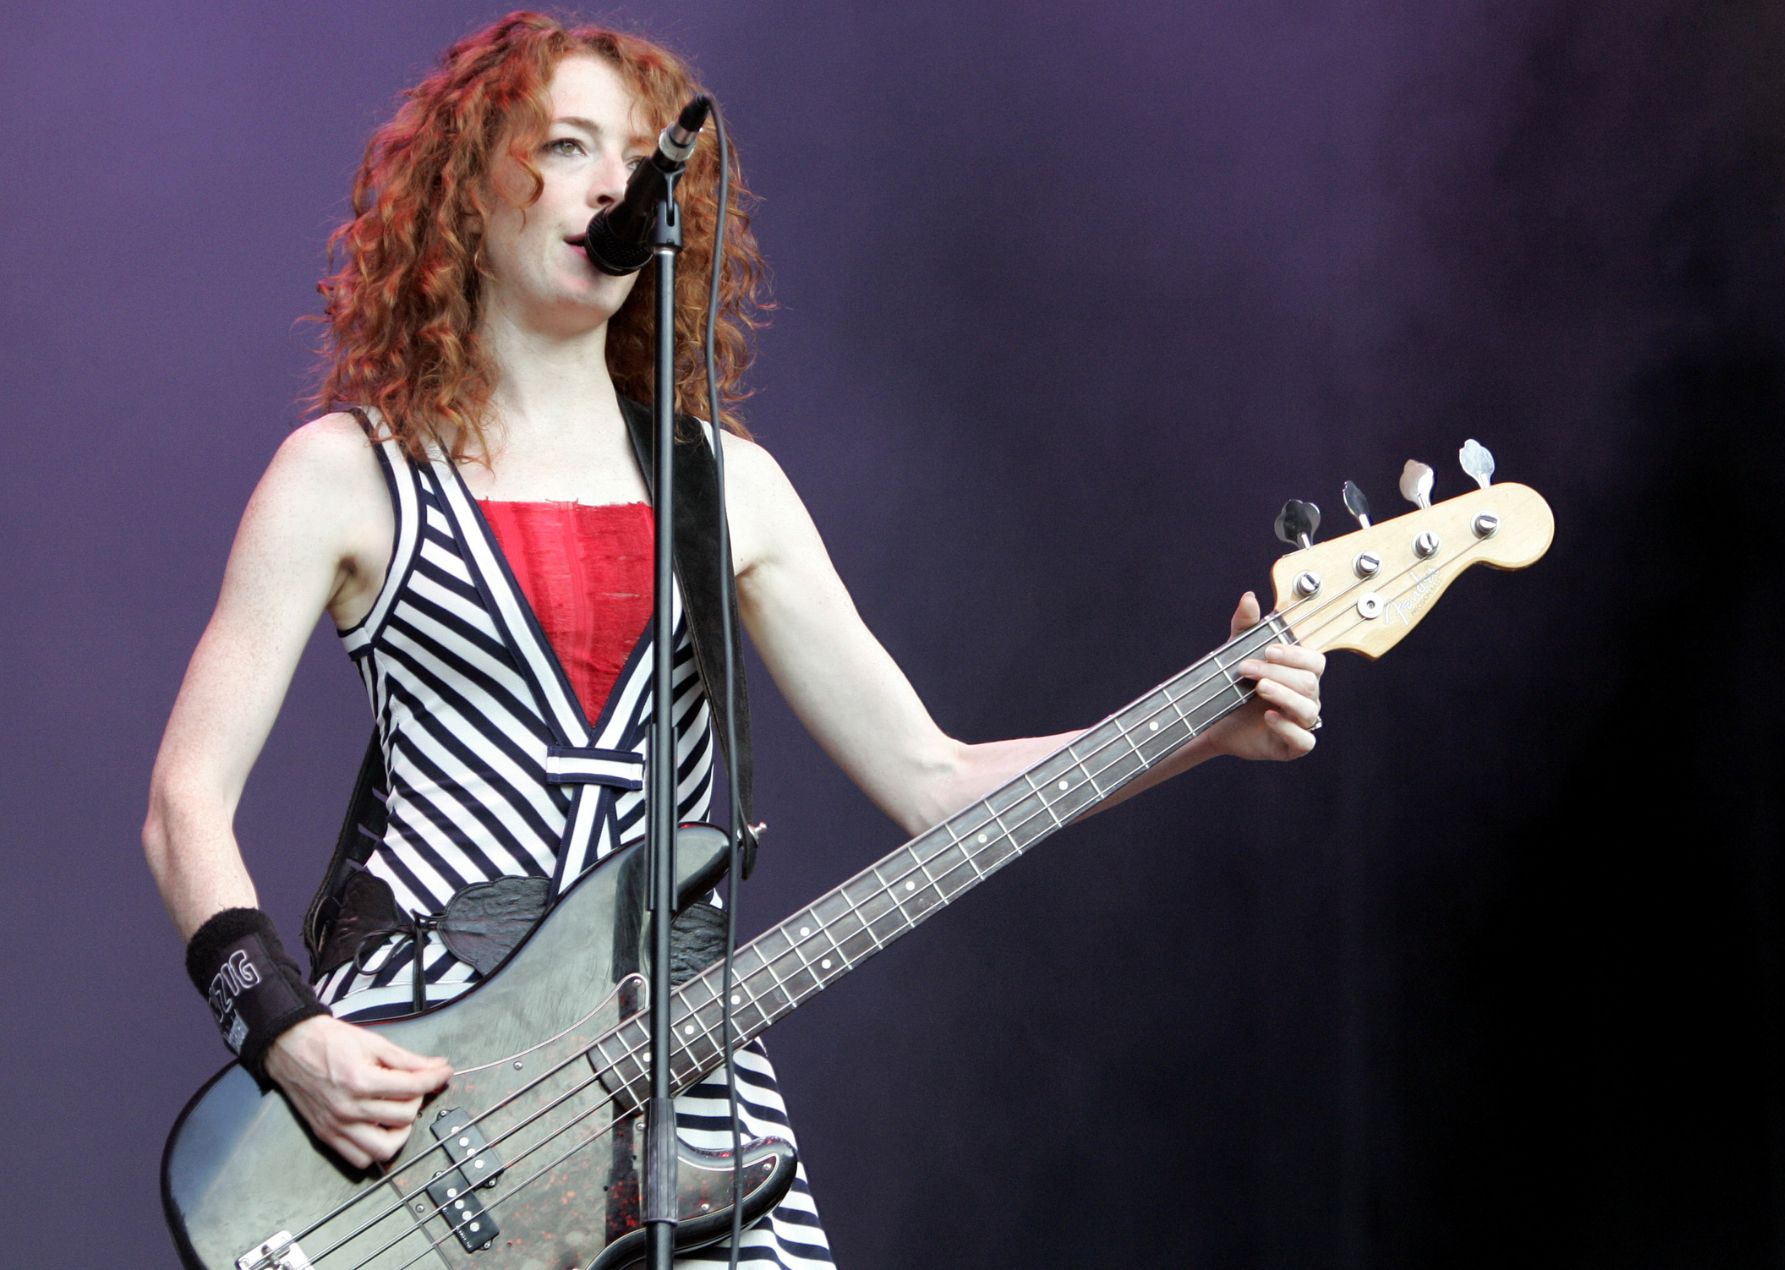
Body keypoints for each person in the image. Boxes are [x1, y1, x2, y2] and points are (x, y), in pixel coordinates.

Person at [142, 11, 1327, 1267]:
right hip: (424, 1088)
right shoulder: (346, 474)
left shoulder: (727, 486)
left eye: (642, 155)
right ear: (462, 190)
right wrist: (283, 1032)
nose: (615, 184)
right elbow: (183, 806)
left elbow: (936, 781)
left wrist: (1210, 727)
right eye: (566, 144)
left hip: (683, 1083)